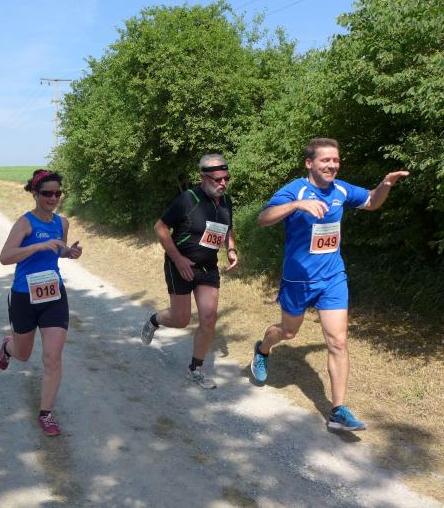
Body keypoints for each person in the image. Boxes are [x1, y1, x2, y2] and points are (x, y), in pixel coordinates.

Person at [250, 138, 409, 431]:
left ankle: (338, 411)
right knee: (288, 331)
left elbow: (371, 201)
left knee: (338, 341)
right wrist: (296, 205)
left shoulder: (341, 189)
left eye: (335, 160)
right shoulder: (295, 190)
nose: (332, 165)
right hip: (298, 279)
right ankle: (262, 349)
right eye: (326, 160)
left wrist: (385, 184)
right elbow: (263, 218)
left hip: (333, 277)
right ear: (309, 163)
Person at [0, 169, 82, 436]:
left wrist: (69, 253)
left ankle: (46, 414)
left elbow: (58, 250)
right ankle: (8, 347)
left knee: (52, 357)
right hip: (24, 295)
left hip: (53, 294)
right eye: (47, 193)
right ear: (35, 194)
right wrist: (36, 246)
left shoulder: (62, 223)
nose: (53, 198)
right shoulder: (25, 223)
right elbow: (5, 257)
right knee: (23, 355)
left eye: (57, 193)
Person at [140, 154, 238, 390]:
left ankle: (195, 369)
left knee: (209, 319)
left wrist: (231, 249)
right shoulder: (188, 199)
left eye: (226, 178)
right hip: (180, 265)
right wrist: (178, 259)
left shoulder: (226, 201)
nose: (223, 183)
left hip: (208, 267)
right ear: (202, 177)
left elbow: (227, 228)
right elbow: (160, 227)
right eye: (217, 179)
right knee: (181, 320)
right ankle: (154, 320)